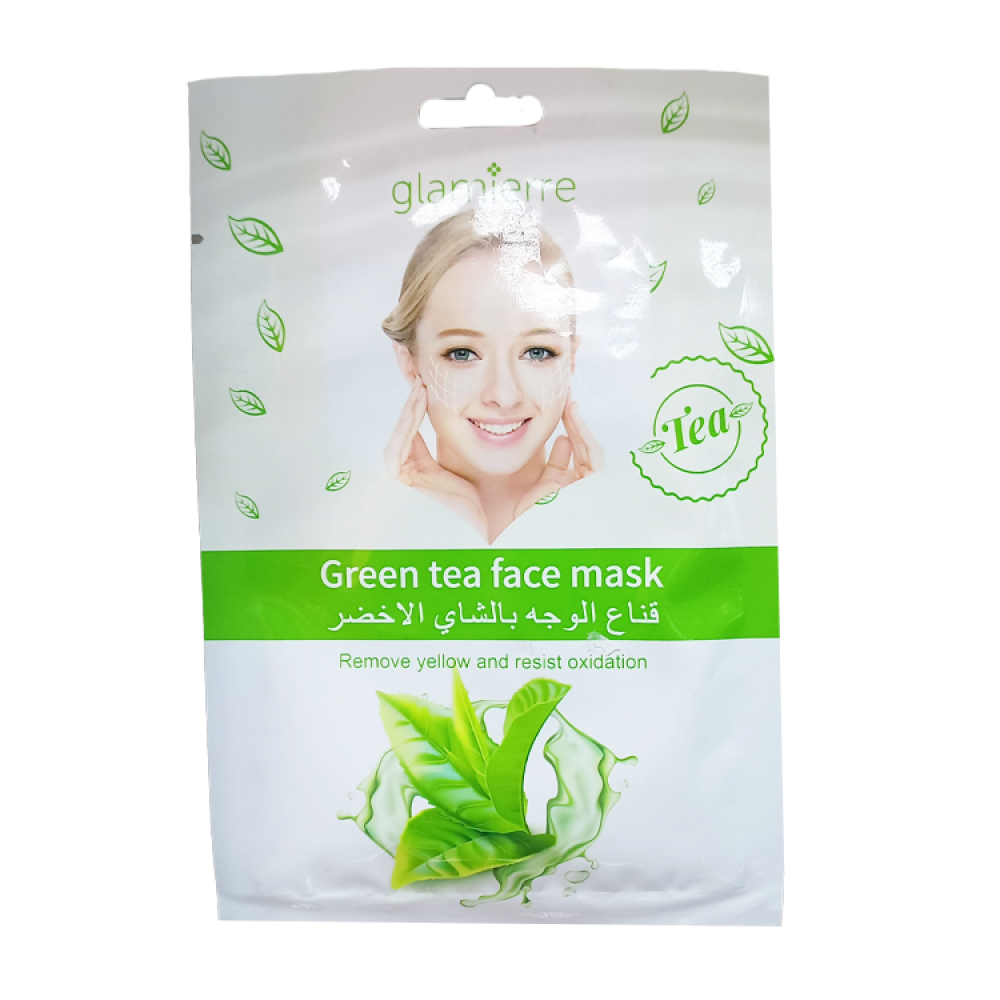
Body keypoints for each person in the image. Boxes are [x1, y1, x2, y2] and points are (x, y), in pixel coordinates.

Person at [382, 205, 604, 543]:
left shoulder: (626, 527)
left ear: (571, 357)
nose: (504, 395)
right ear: (410, 363)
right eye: (463, 353)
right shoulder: (357, 537)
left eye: (537, 352)